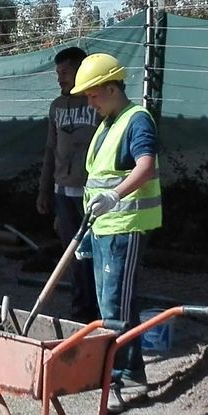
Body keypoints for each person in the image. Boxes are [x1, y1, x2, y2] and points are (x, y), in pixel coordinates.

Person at [72, 51, 161, 395]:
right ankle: (123, 372)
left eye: (93, 94)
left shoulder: (136, 120)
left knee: (116, 308)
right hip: (102, 228)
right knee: (107, 304)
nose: (90, 102)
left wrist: (115, 197)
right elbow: (98, 179)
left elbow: (146, 166)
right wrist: (87, 232)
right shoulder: (108, 123)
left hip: (125, 226)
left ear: (111, 88)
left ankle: (125, 378)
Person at [37, 45, 99, 323]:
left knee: (93, 253)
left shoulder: (96, 103)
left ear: (80, 71)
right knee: (72, 257)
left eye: (65, 72)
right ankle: (81, 311)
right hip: (62, 192)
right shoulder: (56, 107)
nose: (60, 78)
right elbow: (50, 150)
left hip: (92, 194)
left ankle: (98, 310)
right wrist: (44, 190)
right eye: (57, 72)